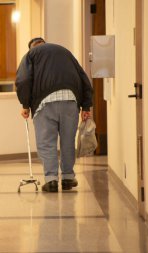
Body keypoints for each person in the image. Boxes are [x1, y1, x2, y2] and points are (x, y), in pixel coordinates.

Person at [15, 37, 93, 192]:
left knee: (46, 143)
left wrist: (25, 104)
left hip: (44, 103)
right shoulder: (65, 52)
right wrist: (86, 106)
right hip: (70, 101)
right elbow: (84, 78)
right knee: (67, 141)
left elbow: (23, 80)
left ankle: (51, 180)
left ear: (32, 48)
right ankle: (68, 178)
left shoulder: (31, 55)